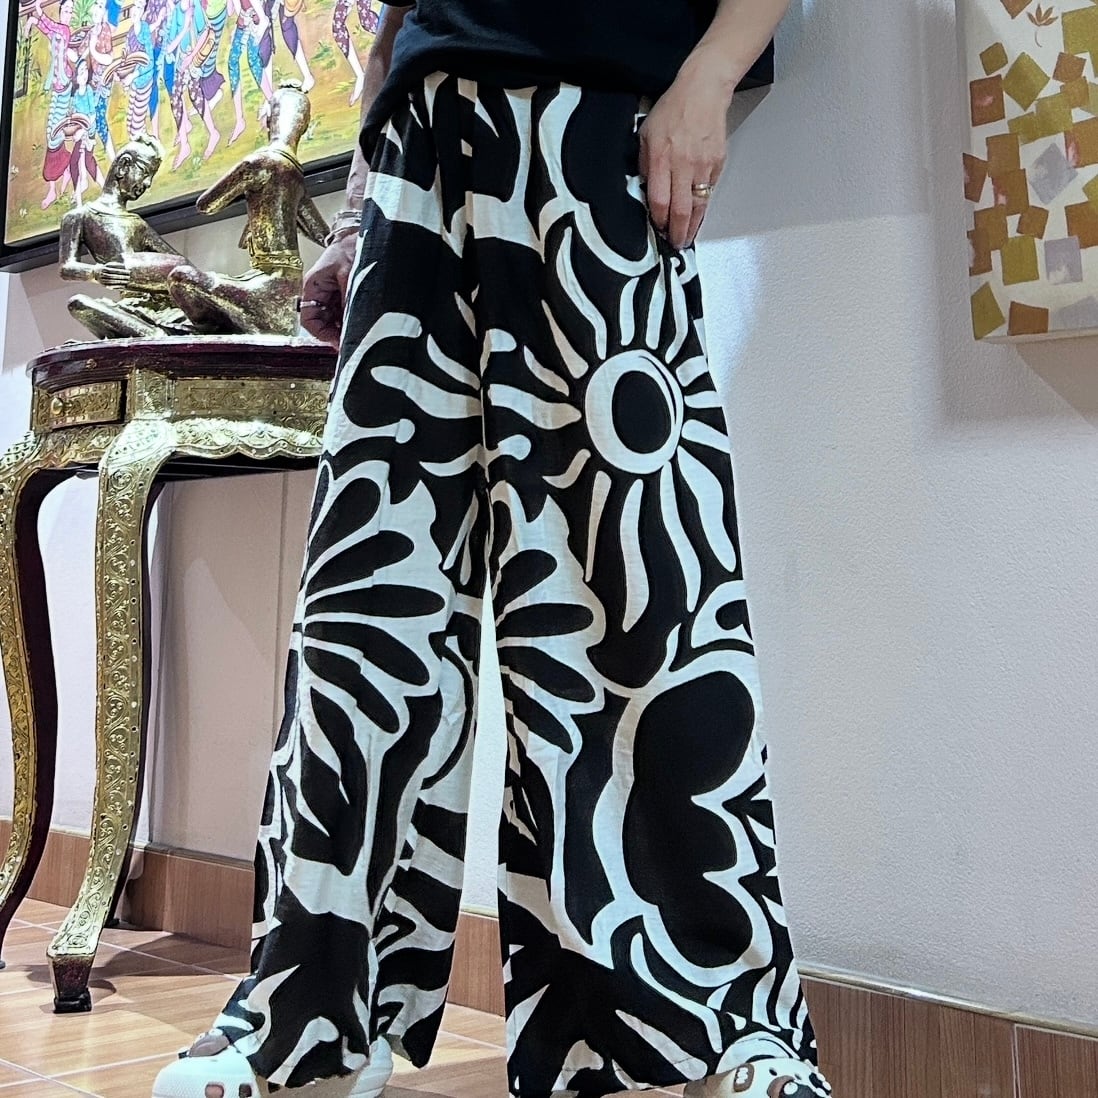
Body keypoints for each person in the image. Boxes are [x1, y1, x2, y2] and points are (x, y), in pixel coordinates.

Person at [152, 1, 834, 1097]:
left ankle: (706, 1030)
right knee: (368, 604)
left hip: (596, 128)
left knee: (640, 601)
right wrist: (359, 203)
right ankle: (314, 1019)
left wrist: (711, 74)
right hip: (416, 148)